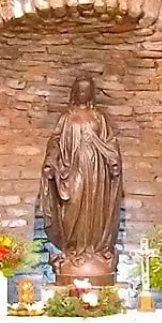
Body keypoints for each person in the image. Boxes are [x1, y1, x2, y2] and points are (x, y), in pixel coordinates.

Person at [39, 76, 124, 284]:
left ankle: (94, 250)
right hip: (73, 170)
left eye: (87, 91)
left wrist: (113, 160)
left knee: (95, 211)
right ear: (75, 92)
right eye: (80, 90)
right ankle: (73, 250)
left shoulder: (99, 117)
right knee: (72, 208)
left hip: (97, 172)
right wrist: (51, 162)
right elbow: (55, 142)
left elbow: (110, 141)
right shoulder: (67, 117)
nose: (83, 94)